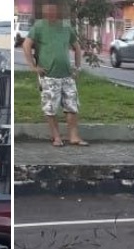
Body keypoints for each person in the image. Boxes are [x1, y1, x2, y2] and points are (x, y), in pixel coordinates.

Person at [22, 2, 88, 147]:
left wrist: (77, 68)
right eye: (47, 11)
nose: (49, 13)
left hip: (67, 75)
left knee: (72, 107)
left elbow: (77, 48)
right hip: (48, 76)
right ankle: (56, 137)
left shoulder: (66, 26)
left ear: (57, 11)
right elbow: (26, 45)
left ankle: (74, 137)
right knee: (50, 108)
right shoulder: (39, 27)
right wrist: (33, 67)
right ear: (43, 12)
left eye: (52, 10)